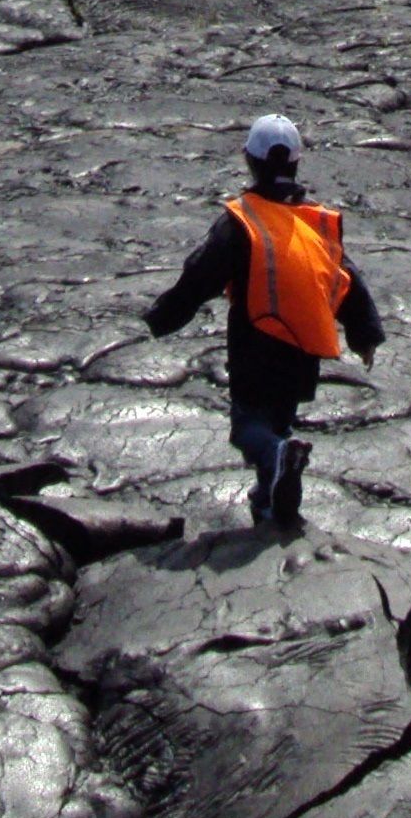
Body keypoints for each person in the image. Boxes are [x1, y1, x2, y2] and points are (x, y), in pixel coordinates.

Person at [143, 114, 383, 534]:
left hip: (257, 343)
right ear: (296, 163)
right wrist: (365, 336)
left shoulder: (242, 221)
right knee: (279, 423)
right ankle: (271, 502)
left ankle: (275, 461)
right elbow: (349, 281)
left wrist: (159, 319)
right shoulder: (316, 224)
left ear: (248, 160)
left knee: (248, 427)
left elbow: (200, 276)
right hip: (304, 350)